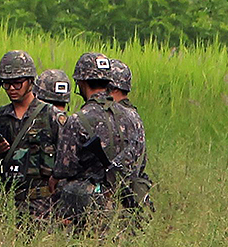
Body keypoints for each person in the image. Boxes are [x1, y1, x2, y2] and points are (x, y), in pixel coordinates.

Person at [0, 50, 64, 217]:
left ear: (30, 81)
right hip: (7, 205)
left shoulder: (52, 116)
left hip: (44, 208)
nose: (11, 88)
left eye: (17, 83)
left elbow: (69, 161)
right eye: (6, 83)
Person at [52, 52, 122, 223]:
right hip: (122, 200)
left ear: (81, 83)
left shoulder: (78, 120)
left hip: (86, 207)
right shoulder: (131, 117)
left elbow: (64, 168)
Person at [108, 59, 153, 214]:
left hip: (118, 196)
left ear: (112, 88)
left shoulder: (116, 116)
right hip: (131, 194)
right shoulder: (133, 115)